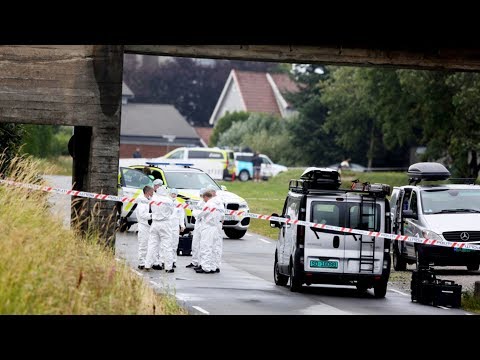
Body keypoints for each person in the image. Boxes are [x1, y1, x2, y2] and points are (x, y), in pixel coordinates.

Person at [144, 182, 174, 272]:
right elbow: (171, 212)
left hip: (155, 223)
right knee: (167, 246)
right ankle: (168, 267)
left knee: (152, 245)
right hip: (165, 223)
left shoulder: (153, 199)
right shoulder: (168, 200)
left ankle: (147, 264)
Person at [186, 188, 206, 269]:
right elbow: (194, 212)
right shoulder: (200, 202)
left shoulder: (208, 204)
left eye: (202, 195)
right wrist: (197, 214)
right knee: (195, 244)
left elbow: (202, 214)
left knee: (202, 245)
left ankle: (201, 263)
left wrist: (198, 214)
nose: (201, 196)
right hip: (197, 225)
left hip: (204, 225)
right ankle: (194, 262)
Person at [136, 185, 154, 270]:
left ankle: (148, 262)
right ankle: (141, 263)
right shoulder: (142, 202)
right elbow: (142, 215)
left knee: (150, 245)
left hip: (149, 226)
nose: (153, 193)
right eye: (152, 192)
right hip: (143, 225)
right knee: (143, 244)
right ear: (148, 192)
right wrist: (152, 215)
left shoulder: (148, 200)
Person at [169, 188, 186, 268]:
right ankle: (164, 260)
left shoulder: (179, 204)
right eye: (172, 194)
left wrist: (182, 225)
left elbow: (181, 216)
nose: (173, 195)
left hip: (175, 226)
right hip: (167, 225)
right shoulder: (166, 202)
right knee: (166, 244)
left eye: (175, 194)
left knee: (174, 244)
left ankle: (173, 261)